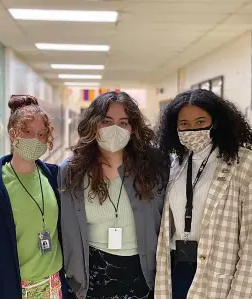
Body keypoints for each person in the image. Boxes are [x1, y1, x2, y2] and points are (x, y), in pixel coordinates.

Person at [154, 89, 252, 299]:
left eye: (200, 122)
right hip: (176, 271)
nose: (192, 130)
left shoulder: (245, 165)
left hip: (220, 275)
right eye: (184, 124)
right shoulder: (176, 164)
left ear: (215, 123)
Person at [58, 91, 169, 299]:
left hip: (143, 273)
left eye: (123, 122)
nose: (115, 129)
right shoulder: (72, 170)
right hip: (91, 275)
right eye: (106, 121)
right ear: (93, 124)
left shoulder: (153, 168)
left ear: (133, 128)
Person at [0, 95, 66, 299]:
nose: (36, 140)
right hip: (12, 290)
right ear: (12, 134)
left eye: (42, 134)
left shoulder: (53, 178)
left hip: (55, 287)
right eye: (28, 132)